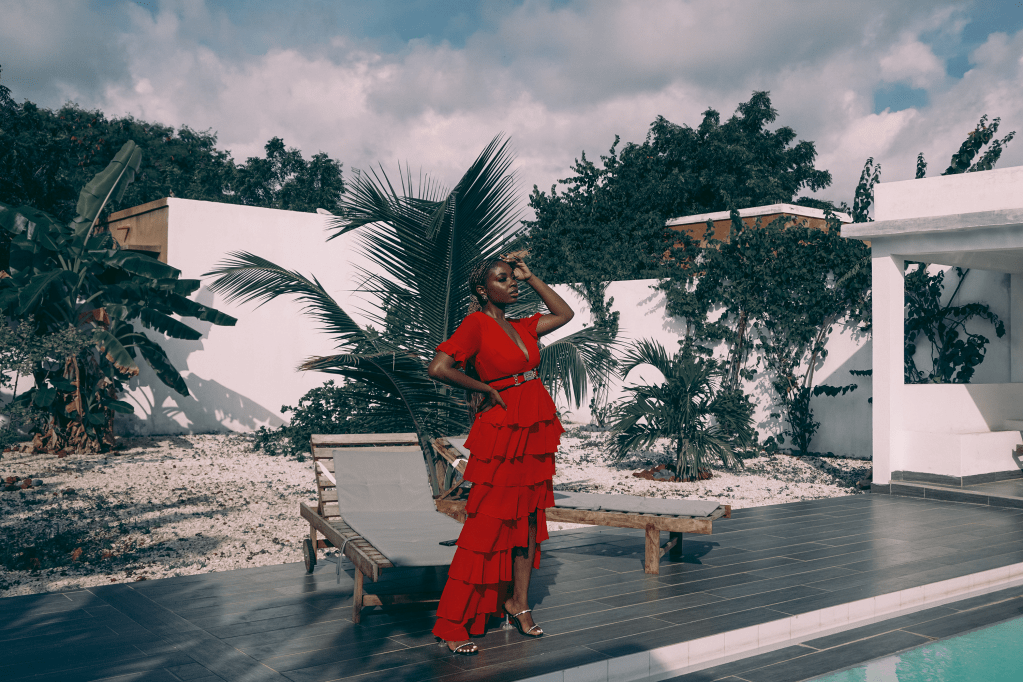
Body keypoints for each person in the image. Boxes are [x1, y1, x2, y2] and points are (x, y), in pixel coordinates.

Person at [427, 251, 574, 656]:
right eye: (503, 278)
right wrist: (484, 389)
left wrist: (533, 276)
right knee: (485, 526)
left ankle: (518, 603)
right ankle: (453, 621)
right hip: (501, 431)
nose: (512, 283)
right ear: (482, 289)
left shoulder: (522, 326)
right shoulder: (476, 324)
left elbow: (564, 314)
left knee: (527, 520)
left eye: (513, 278)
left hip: (535, 430)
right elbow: (438, 367)